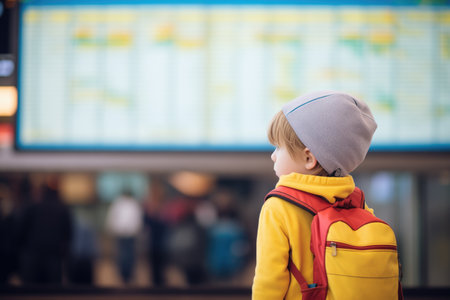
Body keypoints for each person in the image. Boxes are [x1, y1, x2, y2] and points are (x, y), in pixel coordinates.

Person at [252, 91, 377, 299]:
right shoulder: (358, 205)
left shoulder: (278, 207)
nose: (273, 156)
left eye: (279, 147)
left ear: (309, 158)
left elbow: (269, 280)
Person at [105, 189, 143, 285]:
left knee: (127, 255)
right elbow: (113, 218)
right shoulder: (122, 203)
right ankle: (124, 275)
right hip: (123, 233)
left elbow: (137, 219)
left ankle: (127, 275)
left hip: (128, 234)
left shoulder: (127, 203)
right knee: (124, 255)